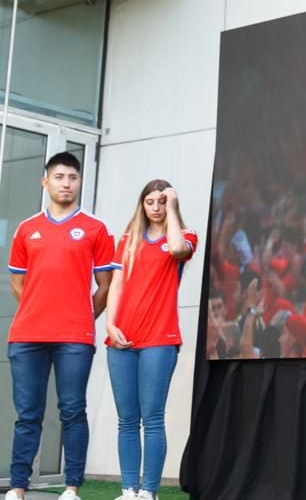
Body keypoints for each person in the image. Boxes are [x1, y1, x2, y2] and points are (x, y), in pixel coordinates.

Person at [5, 151, 116, 500]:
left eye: (72, 177)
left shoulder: (96, 229)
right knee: (27, 415)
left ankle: (71, 487)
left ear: (79, 182)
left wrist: (83, 316)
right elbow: (17, 283)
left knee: (72, 410)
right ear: (45, 181)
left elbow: (106, 285)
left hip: (74, 337)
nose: (66, 183)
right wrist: (39, 309)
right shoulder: (26, 229)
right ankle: (18, 486)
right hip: (27, 336)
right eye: (59, 177)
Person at [105, 180, 197, 500]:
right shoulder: (128, 240)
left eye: (161, 201)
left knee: (152, 418)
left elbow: (176, 249)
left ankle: (149, 492)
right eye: (150, 202)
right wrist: (110, 324)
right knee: (126, 419)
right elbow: (116, 284)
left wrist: (173, 208)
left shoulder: (186, 236)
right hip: (121, 340)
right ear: (141, 204)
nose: (156, 208)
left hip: (160, 338)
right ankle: (129, 489)